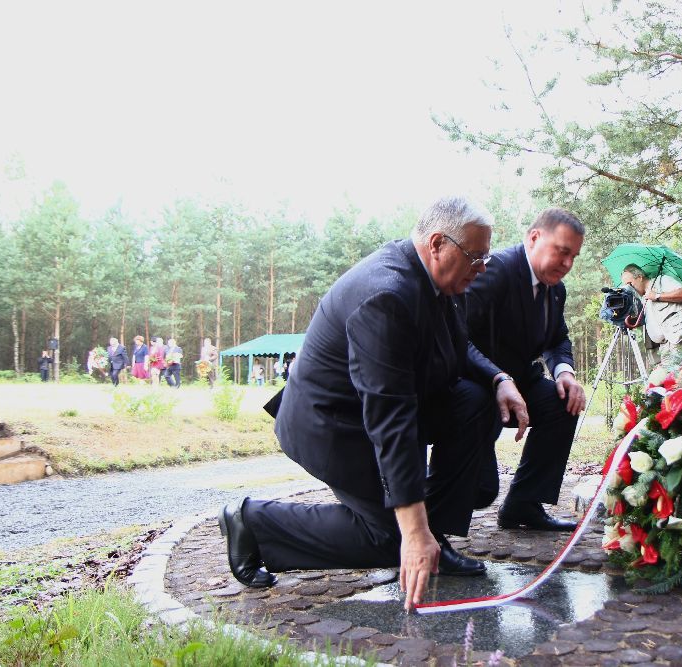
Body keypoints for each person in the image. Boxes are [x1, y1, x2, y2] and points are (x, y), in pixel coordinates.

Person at [221, 196, 528, 613]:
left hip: (386, 409)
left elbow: (457, 345)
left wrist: (499, 378)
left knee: (475, 400)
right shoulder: (386, 295)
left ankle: (434, 539)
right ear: (438, 243)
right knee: (393, 538)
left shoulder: (444, 281)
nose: (484, 267)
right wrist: (411, 529)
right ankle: (254, 522)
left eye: (486, 257)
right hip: (335, 424)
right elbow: (390, 415)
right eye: (476, 257)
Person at [464, 208, 587, 532]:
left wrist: (565, 373)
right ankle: (417, 524)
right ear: (534, 238)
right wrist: (497, 379)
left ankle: (523, 505)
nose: (567, 264)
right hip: (477, 386)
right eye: (562, 252)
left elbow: (558, 339)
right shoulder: (496, 270)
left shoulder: (555, 289)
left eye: (573, 256)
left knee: (563, 403)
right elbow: (456, 335)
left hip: (521, 381)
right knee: (481, 490)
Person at [622, 264, 682, 365]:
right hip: (665, 346)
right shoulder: (643, 299)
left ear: (640, 277)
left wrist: (657, 296)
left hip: (680, 337)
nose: (629, 288)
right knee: (669, 374)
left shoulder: (662, 281)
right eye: (626, 286)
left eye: (630, 284)